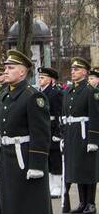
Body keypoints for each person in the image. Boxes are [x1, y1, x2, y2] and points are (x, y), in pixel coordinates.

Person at [0, 49, 53, 214]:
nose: (6, 71)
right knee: (18, 205)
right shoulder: (5, 95)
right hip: (10, 156)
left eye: (10, 68)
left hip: (27, 157)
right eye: (6, 67)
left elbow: (41, 133)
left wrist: (37, 164)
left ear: (22, 71)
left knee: (33, 207)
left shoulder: (33, 96)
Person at [61, 57, 99, 214]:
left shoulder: (91, 91)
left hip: (85, 133)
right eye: (72, 69)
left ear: (84, 72)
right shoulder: (69, 91)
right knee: (77, 168)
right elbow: (64, 116)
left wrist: (93, 139)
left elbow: (95, 116)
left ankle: (91, 202)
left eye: (76, 69)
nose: (73, 72)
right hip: (72, 133)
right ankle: (82, 202)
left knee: (88, 168)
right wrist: (63, 136)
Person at [38, 67, 63, 201]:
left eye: (43, 77)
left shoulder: (55, 93)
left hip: (53, 128)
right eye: (40, 77)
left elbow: (59, 114)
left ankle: (57, 185)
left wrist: (58, 133)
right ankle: (49, 185)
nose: (40, 79)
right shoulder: (39, 92)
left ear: (51, 79)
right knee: (46, 157)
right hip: (43, 129)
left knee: (55, 158)